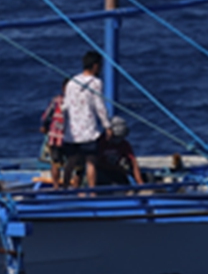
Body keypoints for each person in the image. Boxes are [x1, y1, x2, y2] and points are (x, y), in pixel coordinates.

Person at [60, 50, 112, 190]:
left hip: (72, 131)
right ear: (95, 66)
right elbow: (99, 105)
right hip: (88, 130)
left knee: (71, 162)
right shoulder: (95, 82)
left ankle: (64, 188)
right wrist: (107, 125)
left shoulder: (71, 82)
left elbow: (66, 105)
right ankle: (93, 190)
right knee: (91, 162)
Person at [95, 116, 145, 186]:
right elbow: (96, 162)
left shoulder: (124, 145)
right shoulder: (100, 143)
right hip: (102, 173)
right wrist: (115, 168)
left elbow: (134, 163)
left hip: (118, 173)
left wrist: (140, 183)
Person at [39, 78, 69, 188]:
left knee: (55, 162)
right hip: (67, 137)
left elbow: (46, 116)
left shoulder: (55, 100)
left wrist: (44, 126)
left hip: (55, 137)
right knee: (68, 163)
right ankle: (66, 185)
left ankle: (56, 185)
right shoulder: (75, 102)